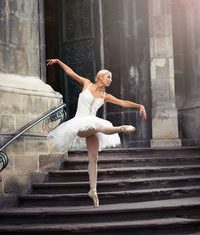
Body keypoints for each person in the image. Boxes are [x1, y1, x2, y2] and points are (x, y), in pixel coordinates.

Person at [46, 59, 146, 207]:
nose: (110, 80)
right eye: (108, 77)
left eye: (111, 78)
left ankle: (93, 190)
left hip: (93, 127)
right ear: (100, 77)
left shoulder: (106, 97)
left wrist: (140, 105)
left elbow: (123, 102)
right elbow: (70, 73)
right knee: (99, 125)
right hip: (80, 124)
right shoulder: (87, 84)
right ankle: (121, 128)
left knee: (94, 159)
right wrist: (59, 61)